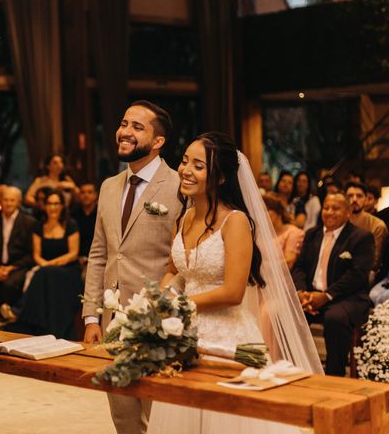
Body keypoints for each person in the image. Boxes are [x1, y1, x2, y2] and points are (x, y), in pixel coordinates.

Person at [148, 133, 322, 434]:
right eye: (185, 161)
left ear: (222, 177)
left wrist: (179, 303)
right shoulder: (184, 218)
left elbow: (233, 292)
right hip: (184, 334)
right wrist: (163, 294)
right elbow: (173, 270)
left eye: (199, 165)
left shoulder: (235, 221)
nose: (186, 170)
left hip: (227, 338)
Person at [82, 100, 181, 434]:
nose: (124, 131)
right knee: (123, 416)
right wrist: (92, 316)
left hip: (159, 323)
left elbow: (184, 259)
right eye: (124, 123)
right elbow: (99, 254)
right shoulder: (110, 186)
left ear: (158, 142)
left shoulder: (180, 185)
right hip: (112, 322)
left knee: (161, 418)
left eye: (137, 127)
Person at [292, 192, 374, 376]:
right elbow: (300, 267)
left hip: (346, 297)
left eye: (335, 208)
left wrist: (326, 295)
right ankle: (294, 367)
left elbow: (357, 275)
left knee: (335, 318)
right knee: (285, 311)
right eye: (326, 207)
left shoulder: (361, 237)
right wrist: (302, 292)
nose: (329, 212)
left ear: (348, 212)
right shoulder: (312, 234)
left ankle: (334, 375)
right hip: (312, 295)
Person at [4, 189, 83, 339]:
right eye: (50, 204)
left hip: (68, 270)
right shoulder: (38, 226)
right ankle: (36, 322)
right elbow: (36, 255)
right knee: (45, 273)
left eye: (56, 204)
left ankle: (17, 311)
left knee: (44, 272)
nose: (53, 207)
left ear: (62, 206)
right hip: (46, 271)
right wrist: (46, 265)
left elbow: (73, 254)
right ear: (44, 206)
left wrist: (49, 265)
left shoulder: (70, 224)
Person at [0, 186, 36, 328]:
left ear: (19, 202)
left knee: (10, 284)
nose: (8, 203)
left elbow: (31, 254)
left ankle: (9, 322)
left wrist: (10, 268)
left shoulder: (29, 222)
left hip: (17, 266)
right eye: (5, 200)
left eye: (12, 200)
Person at [345, 182, 388, 281]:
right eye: (350, 195)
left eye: (359, 196)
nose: (354, 199)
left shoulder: (377, 225)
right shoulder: (338, 221)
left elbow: (374, 263)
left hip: (363, 273)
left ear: (365, 199)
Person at [264, 192, 305, 271]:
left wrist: (261, 266)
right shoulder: (260, 233)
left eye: (267, 210)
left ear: (278, 211)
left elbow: (289, 262)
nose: (263, 214)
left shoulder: (292, 232)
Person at [71, 182, 99, 264]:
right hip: (76, 258)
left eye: (90, 192)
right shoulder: (73, 214)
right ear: (79, 195)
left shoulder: (101, 213)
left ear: (95, 195)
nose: (86, 195)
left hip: (97, 258)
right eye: (83, 192)